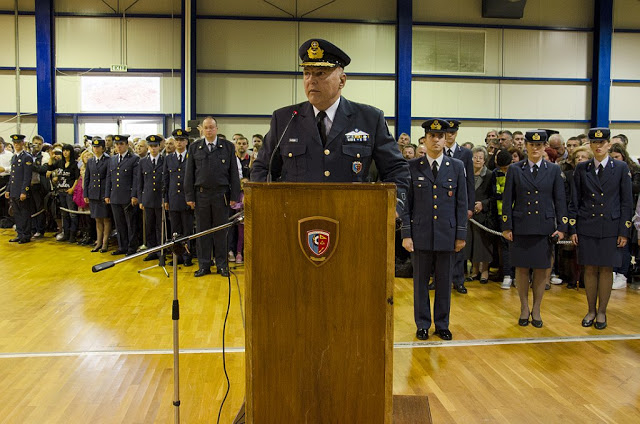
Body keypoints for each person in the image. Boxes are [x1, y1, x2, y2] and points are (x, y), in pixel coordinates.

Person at [251, 38, 410, 216]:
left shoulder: (370, 118)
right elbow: (262, 168)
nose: (311, 80)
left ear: (342, 81)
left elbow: (396, 168)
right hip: (296, 220)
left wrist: (395, 204)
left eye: (320, 73)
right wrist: (269, 204)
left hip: (354, 219)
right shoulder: (285, 119)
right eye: (307, 73)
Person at [401, 119, 467, 341]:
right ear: (425, 139)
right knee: (420, 283)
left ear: (445, 138)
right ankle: (422, 324)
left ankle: (442, 324)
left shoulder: (456, 166)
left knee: (444, 282)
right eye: (432, 136)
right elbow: (406, 204)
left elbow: (461, 203)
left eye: (440, 136)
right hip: (420, 235)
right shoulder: (412, 167)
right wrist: (406, 234)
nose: (437, 140)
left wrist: (460, 235)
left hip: (446, 235)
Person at [502, 130, 568, 328]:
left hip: (544, 227)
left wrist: (562, 226)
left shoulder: (553, 170)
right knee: (521, 270)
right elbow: (508, 200)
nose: (535, 148)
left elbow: (560, 200)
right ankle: (524, 307)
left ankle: (537, 309)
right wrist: (506, 226)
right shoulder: (515, 169)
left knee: (541, 271)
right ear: (526, 147)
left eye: (539, 145)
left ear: (544, 147)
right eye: (532, 145)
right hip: (522, 226)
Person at [569, 128, 633, 330]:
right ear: (590, 144)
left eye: (602, 142)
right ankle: (590, 310)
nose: (598, 146)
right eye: (594, 142)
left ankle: (602, 311)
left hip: (611, 225)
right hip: (587, 223)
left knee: (606, 269)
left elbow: (626, 202)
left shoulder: (621, 168)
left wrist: (624, 230)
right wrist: (573, 228)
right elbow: (575, 200)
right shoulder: (582, 169)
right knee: (589, 269)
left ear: (608, 145)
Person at [185, 117, 240, 278]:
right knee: (203, 232)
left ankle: (222, 265)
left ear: (217, 128)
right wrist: (189, 196)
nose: (209, 130)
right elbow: (189, 174)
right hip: (201, 195)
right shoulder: (195, 147)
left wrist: (234, 195)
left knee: (221, 232)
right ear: (202, 129)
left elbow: (234, 174)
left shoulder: (228, 147)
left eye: (212, 127)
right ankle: (204, 265)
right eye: (206, 128)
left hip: (221, 195)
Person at [443, 119, 474, 294]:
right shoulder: (439, 151)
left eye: (453, 133)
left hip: (460, 203)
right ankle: (439, 280)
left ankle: (458, 279)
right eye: (447, 132)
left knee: (460, 242)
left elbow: (469, 181)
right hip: (443, 203)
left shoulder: (465, 154)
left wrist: (469, 206)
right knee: (440, 242)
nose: (449, 136)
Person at [105, 135, 140, 256]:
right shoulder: (113, 159)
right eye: (116, 144)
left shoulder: (134, 159)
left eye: (121, 144)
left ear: (126, 145)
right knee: (119, 224)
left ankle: (132, 247)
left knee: (131, 224)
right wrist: (107, 194)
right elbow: (109, 178)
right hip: (115, 195)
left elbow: (136, 179)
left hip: (127, 196)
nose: (118, 147)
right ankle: (122, 246)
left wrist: (134, 195)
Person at [163, 129, 194, 266]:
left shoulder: (191, 157)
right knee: (175, 230)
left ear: (186, 142)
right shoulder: (169, 158)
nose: (179, 142)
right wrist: (166, 199)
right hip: (173, 198)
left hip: (187, 199)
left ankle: (187, 257)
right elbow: (166, 180)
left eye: (181, 140)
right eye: (177, 140)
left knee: (187, 230)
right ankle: (177, 257)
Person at [466, 146, 494, 284]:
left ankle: (485, 271)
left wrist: (483, 204)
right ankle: (475, 270)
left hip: (484, 215)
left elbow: (494, 196)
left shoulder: (489, 175)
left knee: (483, 244)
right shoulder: (466, 174)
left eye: (480, 158)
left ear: (485, 160)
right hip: (469, 215)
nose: (477, 160)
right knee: (472, 243)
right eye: (475, 157)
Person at [138, 135, 164, 261]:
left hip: (160, 199)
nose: (153, 149)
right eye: (151, 146)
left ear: (159, 147)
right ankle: (151, 250)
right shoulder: (143, 162)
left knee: (160, 227)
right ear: (148, 147)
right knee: (149, 227)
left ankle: (161, 251)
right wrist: (141, 199)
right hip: (148, 198)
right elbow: (140, 182)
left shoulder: (164, 160)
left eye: (156, 146)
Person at [84, 138, 112, 253]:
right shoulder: (90, 161)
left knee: (106, 219)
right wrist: (86, 193)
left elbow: (109, 178)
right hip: (93, 193)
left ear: (103, 148)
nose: (95, 149)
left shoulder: (108, 160)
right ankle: (98, 242)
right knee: (97, 219)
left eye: (98, 147)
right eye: (94, 147)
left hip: (103, 193)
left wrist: (107, 194)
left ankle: (105, 243)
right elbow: (87, 178)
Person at [48, 144, 80, 243]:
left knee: (72, 213)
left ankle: (73, 234)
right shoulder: (60, 163)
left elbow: (77, 178)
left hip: (69, 191)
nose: (65, 152)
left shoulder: (75, 164)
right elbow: (49, 167)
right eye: (64, 150)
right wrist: (51, 157)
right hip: (61, 190)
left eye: (67, 150)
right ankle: (65, 233)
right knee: (64, 213)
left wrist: (73, 188)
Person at [5, 134, 33, 243]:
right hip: (14, 190)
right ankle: (20, 233)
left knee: (24, 213)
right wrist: (8, 189)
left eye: (18, 143)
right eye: (14, 143)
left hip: (21, 190)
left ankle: (26, 235)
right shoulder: (14, 157)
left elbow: (27, 177)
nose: (16, 145)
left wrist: (24, 191)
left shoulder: (27, 157)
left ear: (23, 143)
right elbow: (12, 176)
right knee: (16, 213)